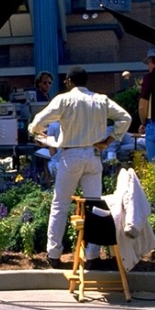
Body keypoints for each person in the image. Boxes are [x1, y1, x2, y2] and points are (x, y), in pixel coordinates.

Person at [28, 66, 131, 270]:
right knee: (95, 208)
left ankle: (54, 253)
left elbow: (37, 123)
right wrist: (108, 141)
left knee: (60, 205)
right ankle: (92, 256)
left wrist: (43, 137)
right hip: (93, 154)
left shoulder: (64, 99)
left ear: (68, 82)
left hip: (71, 154)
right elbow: (125, 118)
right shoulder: (101, 100)